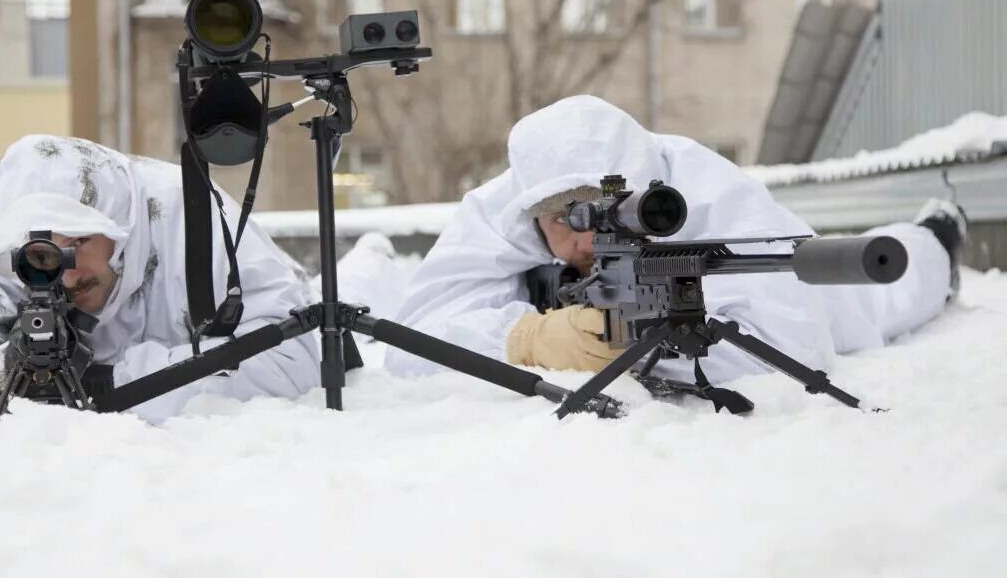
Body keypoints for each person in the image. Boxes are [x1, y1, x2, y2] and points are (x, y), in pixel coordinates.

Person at [385, 96, 965, 390]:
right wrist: (531, 338)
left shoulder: (707, 189)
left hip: (823, 284)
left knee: (886, 290)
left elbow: (798, 345)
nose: (590, 237)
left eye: (607, 218)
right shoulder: (503, 206)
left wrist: (645, 348)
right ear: (532, 214)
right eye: (567, 221)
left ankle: (940, 233)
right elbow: (408, 345)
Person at [0, 135, 320, 432]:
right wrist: (7, 373)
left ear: (120, 226)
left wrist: (108, 384)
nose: (69, 273)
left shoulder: (192, 217)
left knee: (360, 281)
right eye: (45, 256)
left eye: (79, 242)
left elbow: (292, 361)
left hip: (296, 288)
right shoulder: (2, 256)